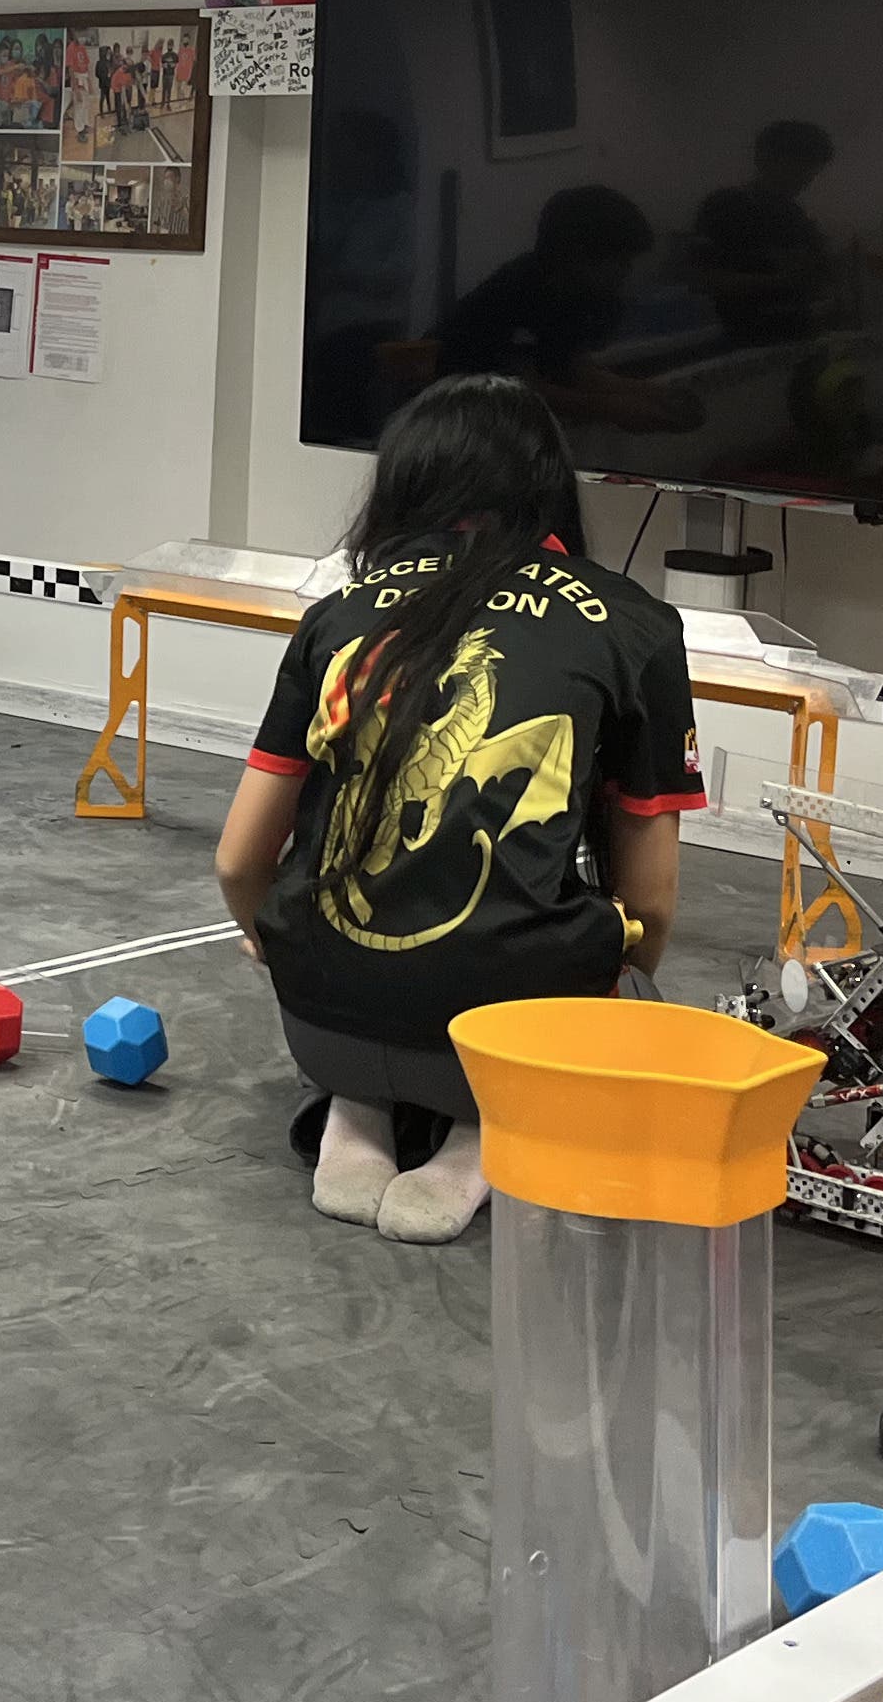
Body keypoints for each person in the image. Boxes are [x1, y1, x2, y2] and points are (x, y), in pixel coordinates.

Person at [214, 375, 705, 1244]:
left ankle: (356, 1110)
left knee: (336, 930)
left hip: (321, 1023)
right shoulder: (633, 624)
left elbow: (237, 862)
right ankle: (485, 1136)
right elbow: (652, 904)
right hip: (507, 1046)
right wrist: (616, 990)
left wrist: (279, 944)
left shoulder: (337, 617)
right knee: (630, 985)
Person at [431, 183, 699, 433]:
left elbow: (572, 368)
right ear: (577, 255)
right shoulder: (515, 293)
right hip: (452, 419)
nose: (626, 273)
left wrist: (651, 393)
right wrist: (611, 409)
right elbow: (520, 391)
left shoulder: (577, 294)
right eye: (619, 262)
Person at [687, 120, 837, 347]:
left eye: (813, 168)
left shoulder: (796, 215)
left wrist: (823, 272)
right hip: (739, 339)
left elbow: (817, 277)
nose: (807, 177)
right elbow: (701, 279)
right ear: (765, 158)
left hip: (795, 336)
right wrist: (780, 281)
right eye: (799, 165)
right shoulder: (725, 206)